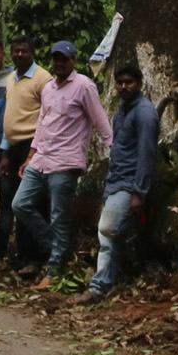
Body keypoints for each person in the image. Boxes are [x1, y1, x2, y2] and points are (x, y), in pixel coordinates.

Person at [12, 40, 108, 288]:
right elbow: (42, 124)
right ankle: (56, 247)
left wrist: (113, 149)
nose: (59, 64)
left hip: (66, 161)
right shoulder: (49, 89)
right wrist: (31, 155)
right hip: (42, 157)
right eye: (55, 59)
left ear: (73, 61)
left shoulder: (84, 86)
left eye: (64, 59)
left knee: (58, 216)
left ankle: (53, 270)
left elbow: (100, 120)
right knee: (20, 204)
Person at [72, 61, 158, 306]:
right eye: (120, 83)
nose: (123, 86)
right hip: (116, 181)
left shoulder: (145, 112)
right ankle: (112, 281)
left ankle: (98, 288)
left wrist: (139, 193)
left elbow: (146, 154)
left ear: (140, 84)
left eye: (129, 82)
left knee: (107, 230)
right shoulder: (123, 111)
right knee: (114, 234)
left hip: (129, 184)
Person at [0, 35, 42, 272]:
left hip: (29, 146)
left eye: (24, 51)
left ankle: (30, 257)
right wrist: (2, 152)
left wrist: (31, 153)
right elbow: (6, 118)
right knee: (6, 203)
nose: (20, 55)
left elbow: (45, 116)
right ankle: (0, 255)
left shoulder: (38, 78)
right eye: (16, 51)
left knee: (23, 203)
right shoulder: (5, 80)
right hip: (5, 148)